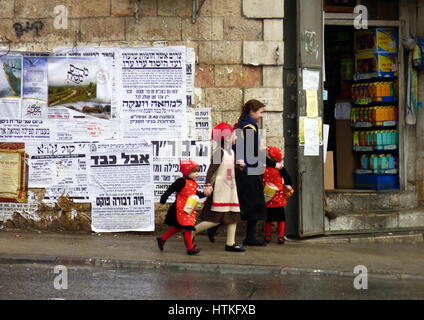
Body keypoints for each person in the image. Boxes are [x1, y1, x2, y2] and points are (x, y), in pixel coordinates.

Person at [233, 99, 282, 246]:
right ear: (252, 111)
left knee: (247, 204)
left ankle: (249, 237)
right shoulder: (249, 127)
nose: (261, 115)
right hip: (250, 170)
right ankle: (248, 237)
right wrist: (274, 164)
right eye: (260, 112)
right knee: (252, 205)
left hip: (247, 169)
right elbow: (253, 151)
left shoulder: (245, 125)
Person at [193, 122, 245, 252]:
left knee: (233, 215)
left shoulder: (231, 152)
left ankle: (230, 243)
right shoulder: (219, 152)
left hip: (230, 189)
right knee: (216, 219)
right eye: (234, 135)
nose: (237, 138)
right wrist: (208, 185)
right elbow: (210, 170)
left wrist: (239, 168)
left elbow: (231, 171)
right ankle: (191, 232)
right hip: (221, 189)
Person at [156, 160, 206, 255]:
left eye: (198, 172)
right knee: (188, 228)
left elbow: (196, 194)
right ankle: (190, 249)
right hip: (179, 209)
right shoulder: (181, 181)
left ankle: (162, 239)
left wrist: (204, 194)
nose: (197, 174)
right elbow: (170, 189)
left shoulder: (193, 183)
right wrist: (164, 198)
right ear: (187, 172)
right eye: (194, 172)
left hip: (189, 209)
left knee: (179, 227)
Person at [263, 146, 293, 244]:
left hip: (278, 196)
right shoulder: (263, 166)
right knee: (268, 217)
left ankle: (281, 235)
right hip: (268, 195)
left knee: (280, 217)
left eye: (269, 154)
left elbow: (286, 176)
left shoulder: (279, 167)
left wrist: (289, 185)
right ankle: (267, 235)